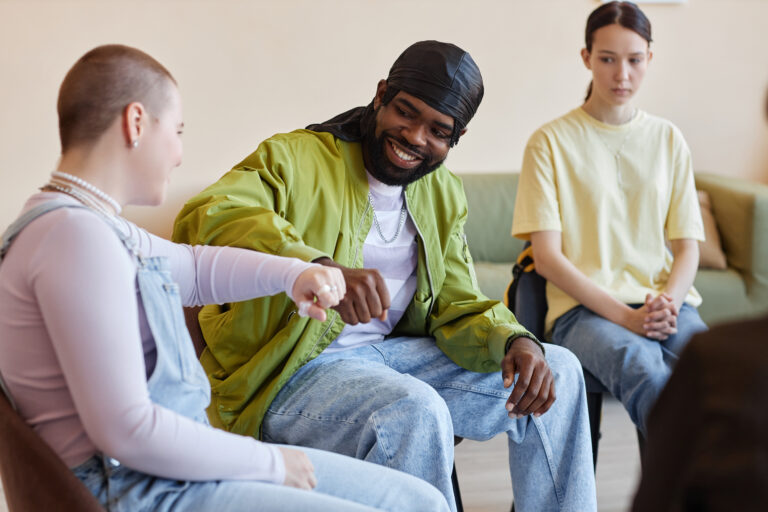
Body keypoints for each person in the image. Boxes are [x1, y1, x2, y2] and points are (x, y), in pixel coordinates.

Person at [0, 44, 450, 512]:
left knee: (420, 501)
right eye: (175, 131)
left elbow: (194, 268)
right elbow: (127, 430)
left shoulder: (89, 227)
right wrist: (270, 462)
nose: (178, 154)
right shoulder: (74, 239)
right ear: (136, 123)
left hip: (165, 475)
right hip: (142, 491)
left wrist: (298, 273)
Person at [173, 40, 597, 511]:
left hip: (396, 360)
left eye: (438, 130)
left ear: (456, 137)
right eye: (406, 112)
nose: (415, 137)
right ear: (381, 95)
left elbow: (455, 303)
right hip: (292, 371)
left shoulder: (442, 192)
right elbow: (209, 214)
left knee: (558, 370)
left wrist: (514, 339)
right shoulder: (295, 158)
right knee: (413, 409)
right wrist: (315, 266)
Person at [511, 0, 707, 435]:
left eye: (635, 60)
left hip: (666, 305)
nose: (623, 75)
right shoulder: (549, 142)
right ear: (586, 58)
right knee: (648, 373)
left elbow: (687, 246)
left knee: (721, 374)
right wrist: (628, 318)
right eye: (607, 59)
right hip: (583, 314)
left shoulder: (667, 138)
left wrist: (667, 305)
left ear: (649, 59)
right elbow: (546, 259)